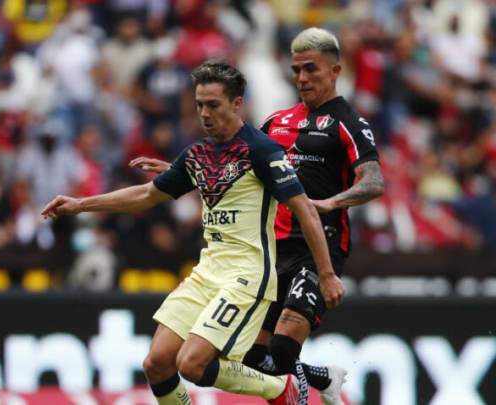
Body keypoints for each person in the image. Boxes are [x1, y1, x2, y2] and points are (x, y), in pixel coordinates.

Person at [42, 60, 344, 405]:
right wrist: (81, 205)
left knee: (191, 363)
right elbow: (145, 194)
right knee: (156, 364)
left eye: (213, 104)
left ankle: (281, 389)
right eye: (199, 104)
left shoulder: (262, 151)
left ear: (236, 103)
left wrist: (327, 274)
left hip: (246, 276)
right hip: (207, 272)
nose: (204, 113)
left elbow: (304, 210)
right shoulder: (197, 155)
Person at [130, 27, 385, 405]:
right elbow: (237, 167)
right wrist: (179, 169)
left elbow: (374, 181)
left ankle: (308, 380)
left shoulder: (348, 122)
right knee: (250, 358)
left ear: (334, 71)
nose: (301, 77)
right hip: (269, 249)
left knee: (281, 354)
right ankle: (319, 377)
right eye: (296, 69)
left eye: (311, 69)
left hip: (318, 248)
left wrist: (333, 202)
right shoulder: (277, 121)